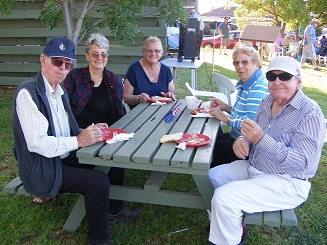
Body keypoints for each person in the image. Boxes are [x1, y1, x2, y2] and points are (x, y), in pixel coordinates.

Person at [208, 56, 326, 245]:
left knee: (224, 198)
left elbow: (302, 161)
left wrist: (261, 140)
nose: (277, 81)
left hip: (289, 181)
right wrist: (242, 139)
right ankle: (234, 227)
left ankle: (230, 241)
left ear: (298, 82)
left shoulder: (310, 112)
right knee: (214, 175)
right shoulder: (266, 102)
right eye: (272, 76)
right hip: (256, 167)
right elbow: (250, 132)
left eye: (285, 76)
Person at [12, 37, 111, 245]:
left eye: (68, 64)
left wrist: (87, 132)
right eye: (57, 61)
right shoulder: (27, 92)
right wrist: (78, 141)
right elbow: (37, 143)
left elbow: (66, 130)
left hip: (61, 157)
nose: (63, 68)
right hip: (43, 167)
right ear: (43, 60)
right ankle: (98, 240)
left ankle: (115, 209)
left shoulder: (59, 91)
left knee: (109, 159)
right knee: (98, 182)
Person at [63, 33, 139, 224]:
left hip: (104, 135)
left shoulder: (113, 80)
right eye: (95, 54)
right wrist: (82, 130)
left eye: (103, 54)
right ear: (87, 55)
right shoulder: (74, 77)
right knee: (105, 164)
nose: (99, 58)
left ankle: (114, 209)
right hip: (78, 135)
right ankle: (108, 208)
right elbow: (64, 112)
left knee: (117, 157)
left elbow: (117, 114)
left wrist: (118, 133)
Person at [209, 42, 269, 168]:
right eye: (236, 63)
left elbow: (251, 124)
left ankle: (214, 180)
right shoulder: (248, 84)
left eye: (245, 62)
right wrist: (225, 107)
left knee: (207, 151)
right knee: (208, 140)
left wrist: (225, 119)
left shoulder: (257, 89)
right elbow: (245, 112)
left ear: (256, 64)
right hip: (236, 137)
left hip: (246, 147)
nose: (239, 66)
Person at [123, 36, 177, 109]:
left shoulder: (166, 70)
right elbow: (125, 97)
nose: (153, 54)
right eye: (149, 51)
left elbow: (174, 95)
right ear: (143, 51)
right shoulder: (134, 69)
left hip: (161, 111)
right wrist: (138, 98)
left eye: (157, 51)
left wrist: (169, 95)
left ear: (162, 52)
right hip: (138, 113)